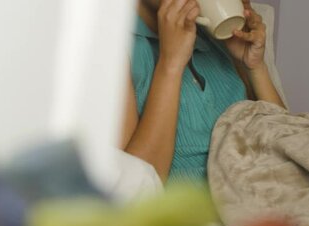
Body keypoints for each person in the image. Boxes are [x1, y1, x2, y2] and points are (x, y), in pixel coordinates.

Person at [120, 0, 285, 183]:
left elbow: (290, 143)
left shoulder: (215, 36)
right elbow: (132, 192)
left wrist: (255, 67)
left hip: (264, 193)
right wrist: (171, 64)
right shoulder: (112, 52)